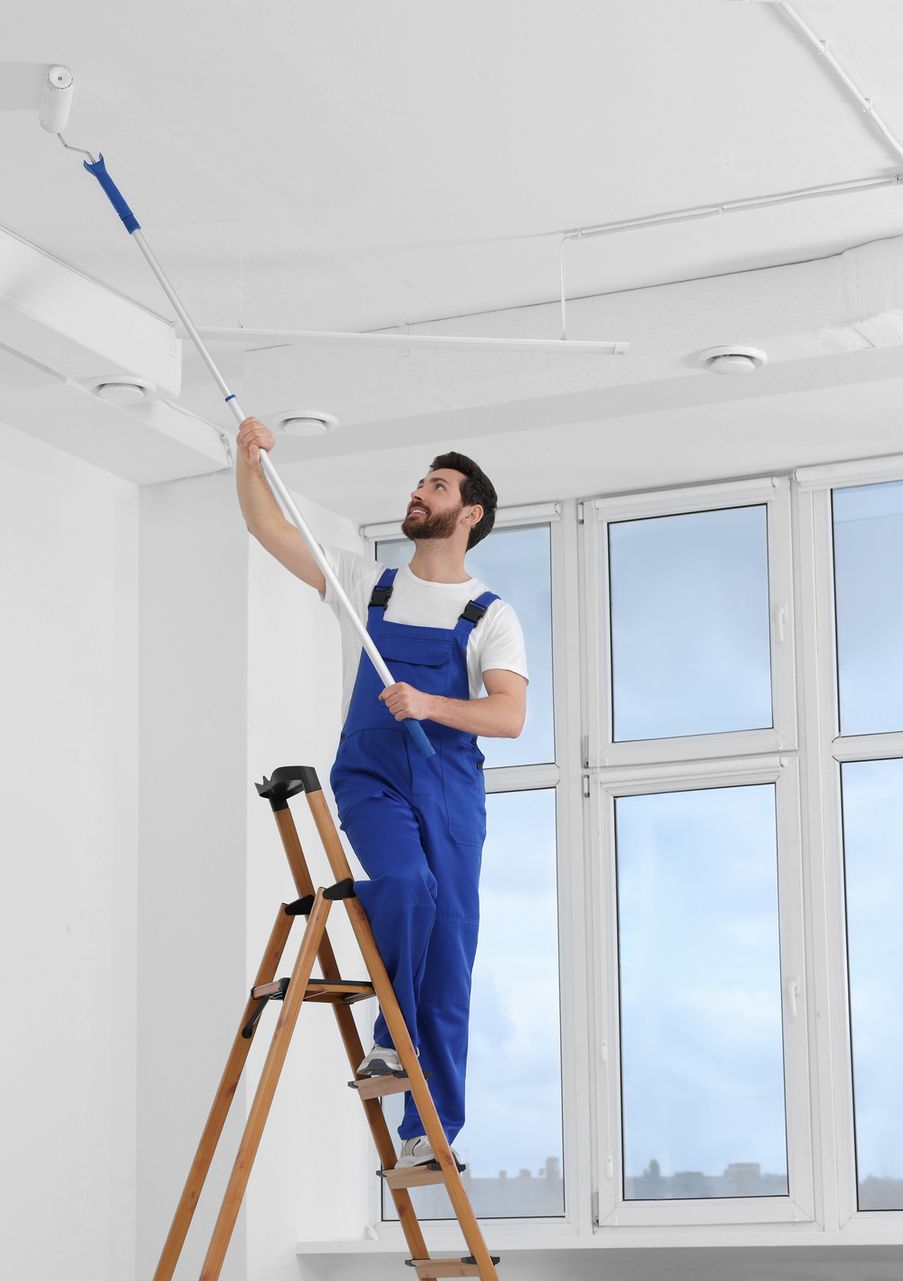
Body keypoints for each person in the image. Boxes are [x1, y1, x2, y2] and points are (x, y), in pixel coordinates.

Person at [234, 416, 528, 1171]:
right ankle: (390, 1042)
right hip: (370, 774)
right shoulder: (366, 582)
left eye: (437, 486)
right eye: (419, 482)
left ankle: (428, 1135)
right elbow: (268, 527)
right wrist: (247, 462)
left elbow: (509, 714)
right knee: (405, 885)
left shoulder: (490, 614)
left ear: (470, 516)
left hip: (449, 782)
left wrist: (428, 704)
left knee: (450, 947)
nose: (418, 492)